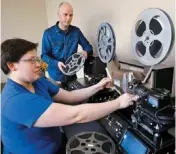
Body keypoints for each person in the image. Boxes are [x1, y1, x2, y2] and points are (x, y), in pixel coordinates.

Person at [1, 38, 136, 154]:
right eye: (31, 60)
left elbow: (70, 96)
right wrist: (118, 103)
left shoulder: (38, 81)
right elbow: (75, 115)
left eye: (37, 59)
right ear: (12, 66)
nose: (38, 64)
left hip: (55, 143)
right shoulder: (15, 100)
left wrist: (97, 87)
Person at [41, 2, 93, 85]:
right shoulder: (48, 33)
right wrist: (56, 63)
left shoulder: (76, 31)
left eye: (71, 15)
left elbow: (89, 47)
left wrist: (86, 52)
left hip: (71, 77)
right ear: (58, 14)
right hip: (55, 77)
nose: (68, 18)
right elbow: (44, 55)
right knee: (56, 98)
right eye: (65, 14)